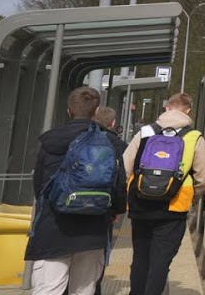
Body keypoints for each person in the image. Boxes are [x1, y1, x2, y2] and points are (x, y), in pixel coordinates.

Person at [24, 86, 127, 295]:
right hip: (94, 228)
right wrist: (114, 210)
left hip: (53, 227)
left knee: (49, 289)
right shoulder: (109, 141)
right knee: (84, 290)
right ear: (96, 111)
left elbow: (39, 186)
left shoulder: (50, 140)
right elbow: (119, 185)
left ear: (69, 111)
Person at [123, 92, 205, 295]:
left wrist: (131, 194)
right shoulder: (194, 137)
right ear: (188, 111)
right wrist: (192, 198)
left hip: (141, 205)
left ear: (167, 108)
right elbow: (203, 179)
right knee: (160, 261)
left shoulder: (144, 132)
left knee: (141, 257)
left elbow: (126, 167)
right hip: (174, 208)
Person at [90, 107, 126, 295]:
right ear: (112, 123)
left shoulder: (81, 138)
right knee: (97, 255)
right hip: (103, 208)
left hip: (70, 205)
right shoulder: (119, 145)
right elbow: (121, 181)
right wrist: (118, 209)